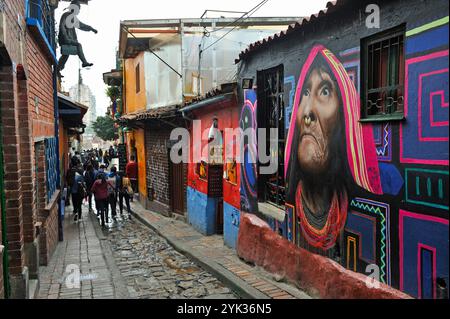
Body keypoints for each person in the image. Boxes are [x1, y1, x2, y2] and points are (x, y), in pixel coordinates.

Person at [284, 45, 382, 253]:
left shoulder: (367, 214)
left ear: (344, 116)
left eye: (325, 91)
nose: (308, 111)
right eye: (305, 92)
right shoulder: (289, 197)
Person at [57, 0, 97, 77]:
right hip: (65, 38)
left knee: (66, 54)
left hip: (68, 38)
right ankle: (84, 62)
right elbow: (61, 26)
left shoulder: (73, 18)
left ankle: (57, 70)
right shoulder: (66, 15)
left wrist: (91, 29)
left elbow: (82, 26)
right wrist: (65, 37)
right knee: (78, 45)